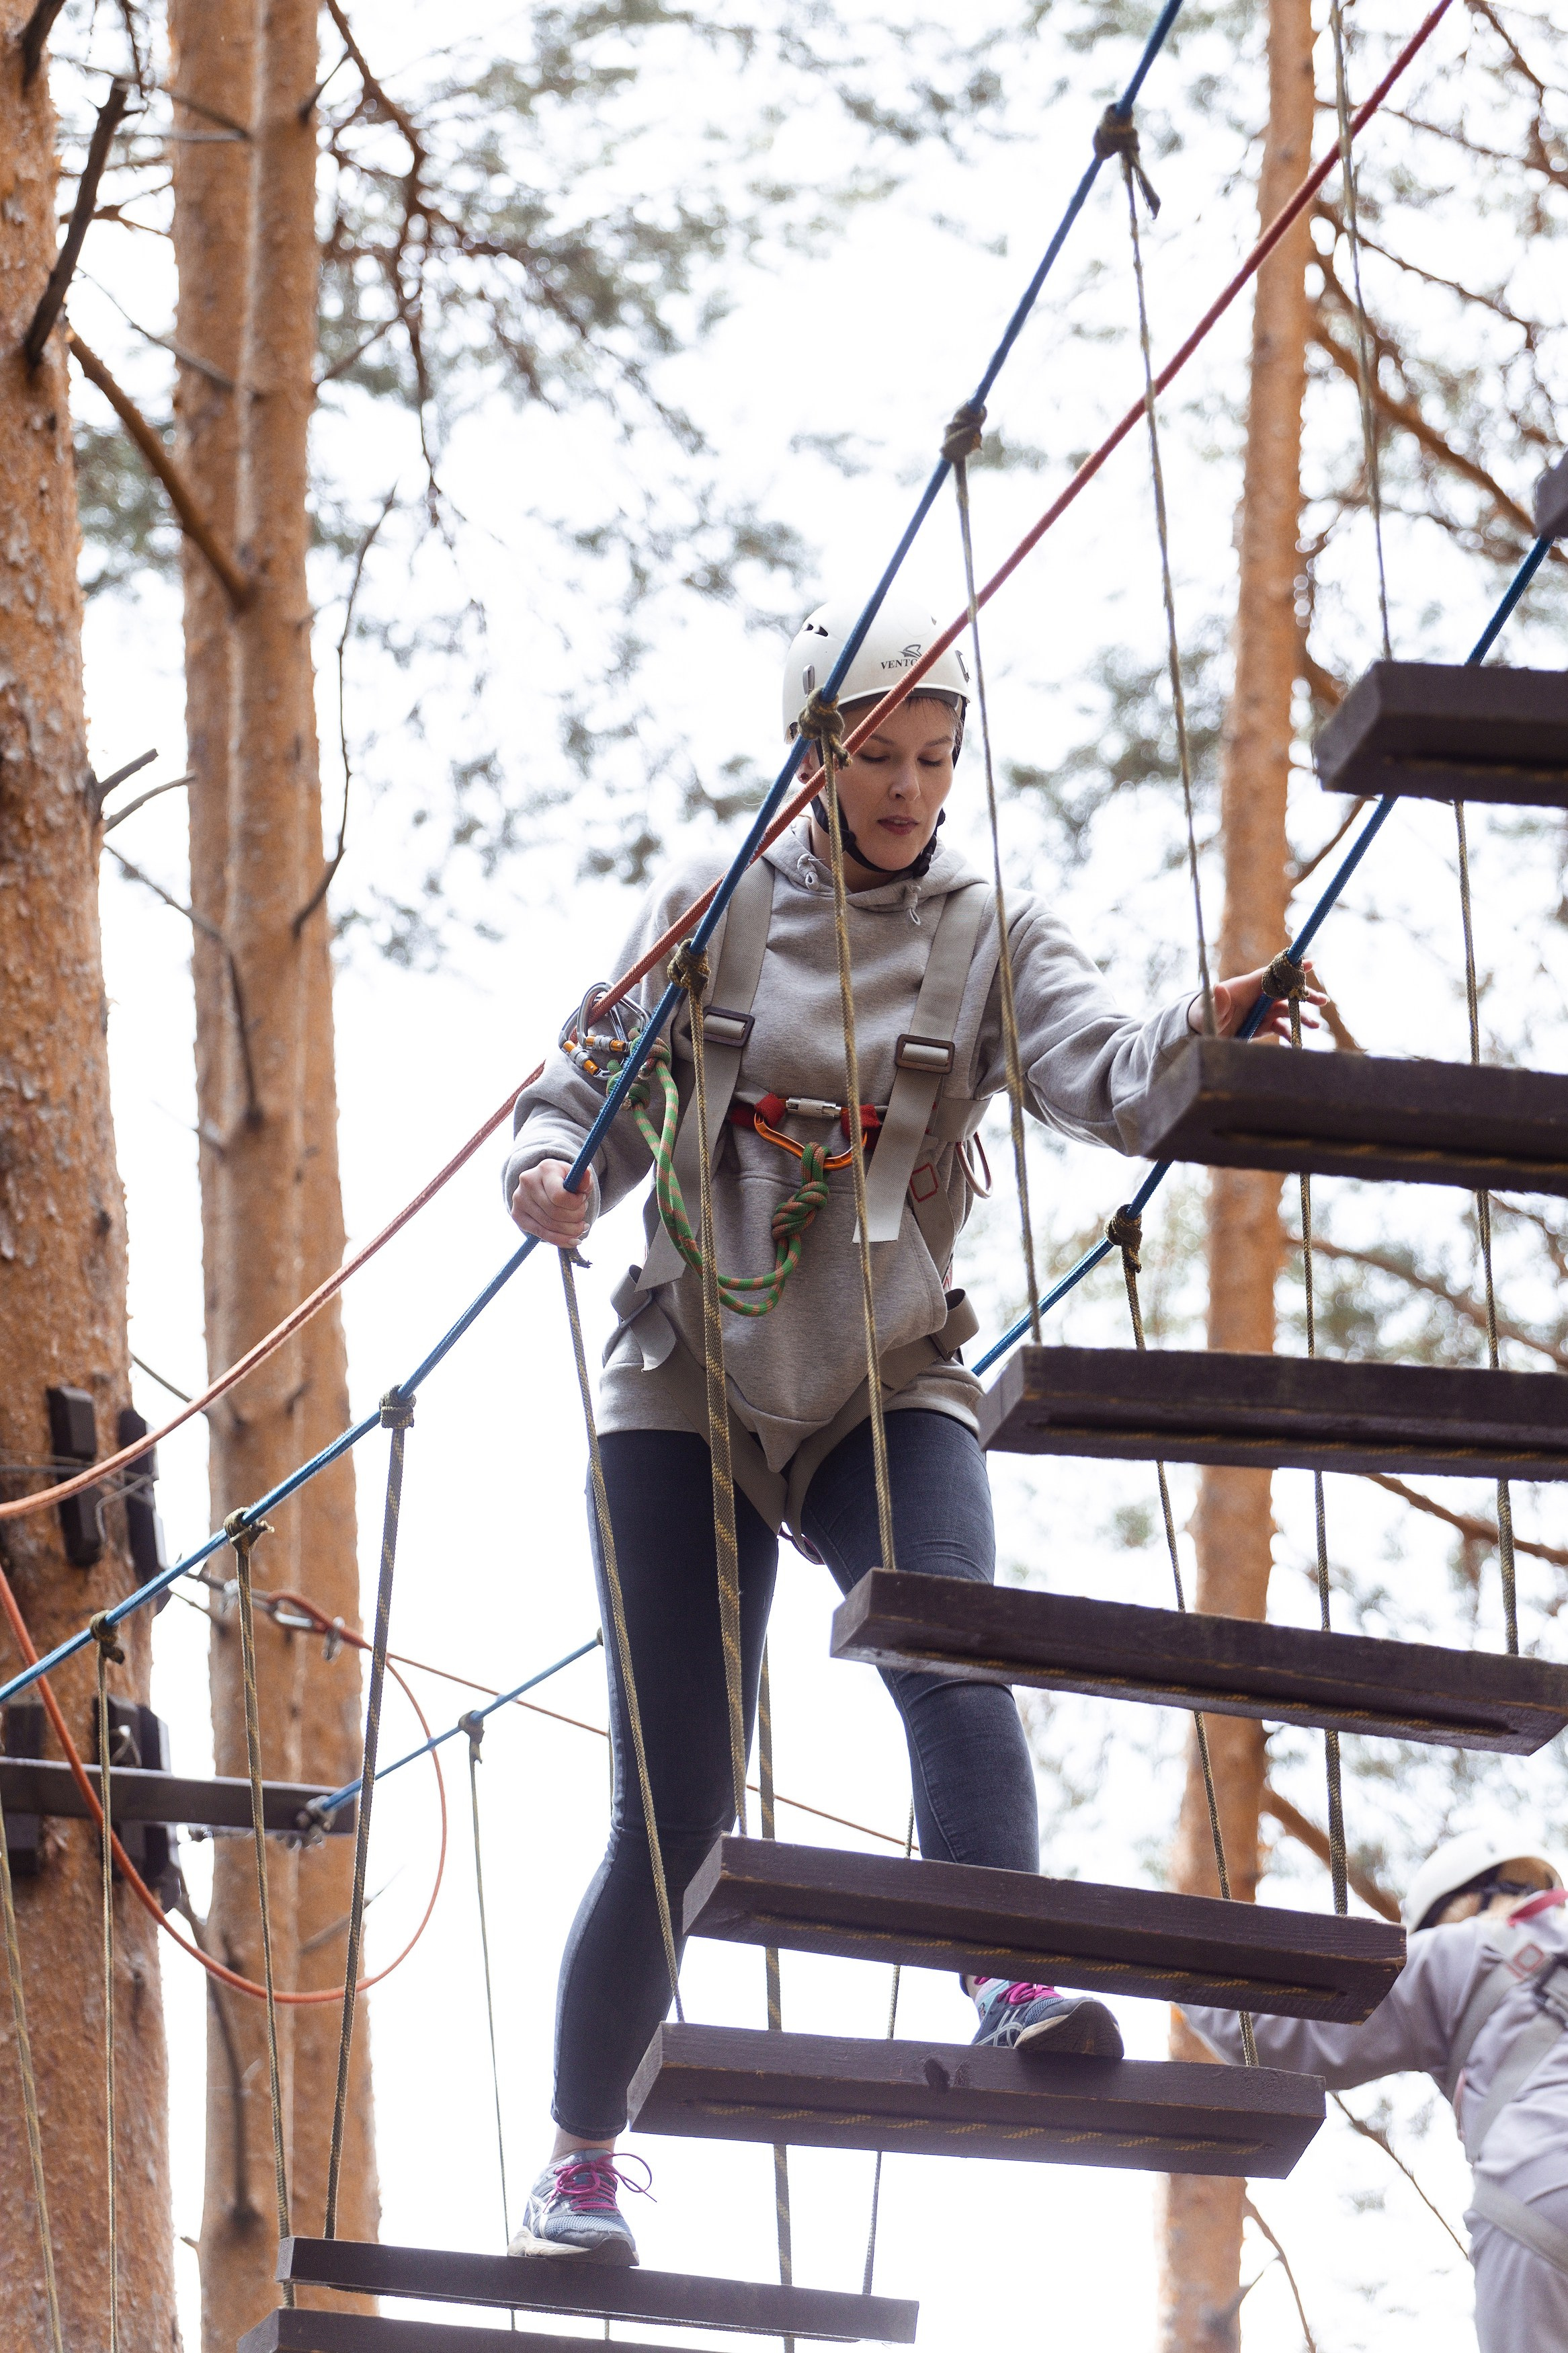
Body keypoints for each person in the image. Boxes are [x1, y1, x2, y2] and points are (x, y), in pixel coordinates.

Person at [503, 592, 1319, 2265]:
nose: (908, 790)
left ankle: (1006, 1966)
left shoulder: (988, 933)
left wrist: (1200, 1029)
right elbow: (599, 1074)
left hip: (886, 1369)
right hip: (693, 1385)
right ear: (813, 763)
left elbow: (1103, 1063)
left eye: (936, 758)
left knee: (950, 1638)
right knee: (676, 1789)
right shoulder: (715, 912)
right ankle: (583, 2157)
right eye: (878, 758)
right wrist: (555, 1163)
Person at [1184, 1829, 1568, 2352]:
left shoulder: (1462, 1949)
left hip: (1542, 2210)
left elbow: (1274, 2031)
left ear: (1465, 1900)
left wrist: (1175, 1964)